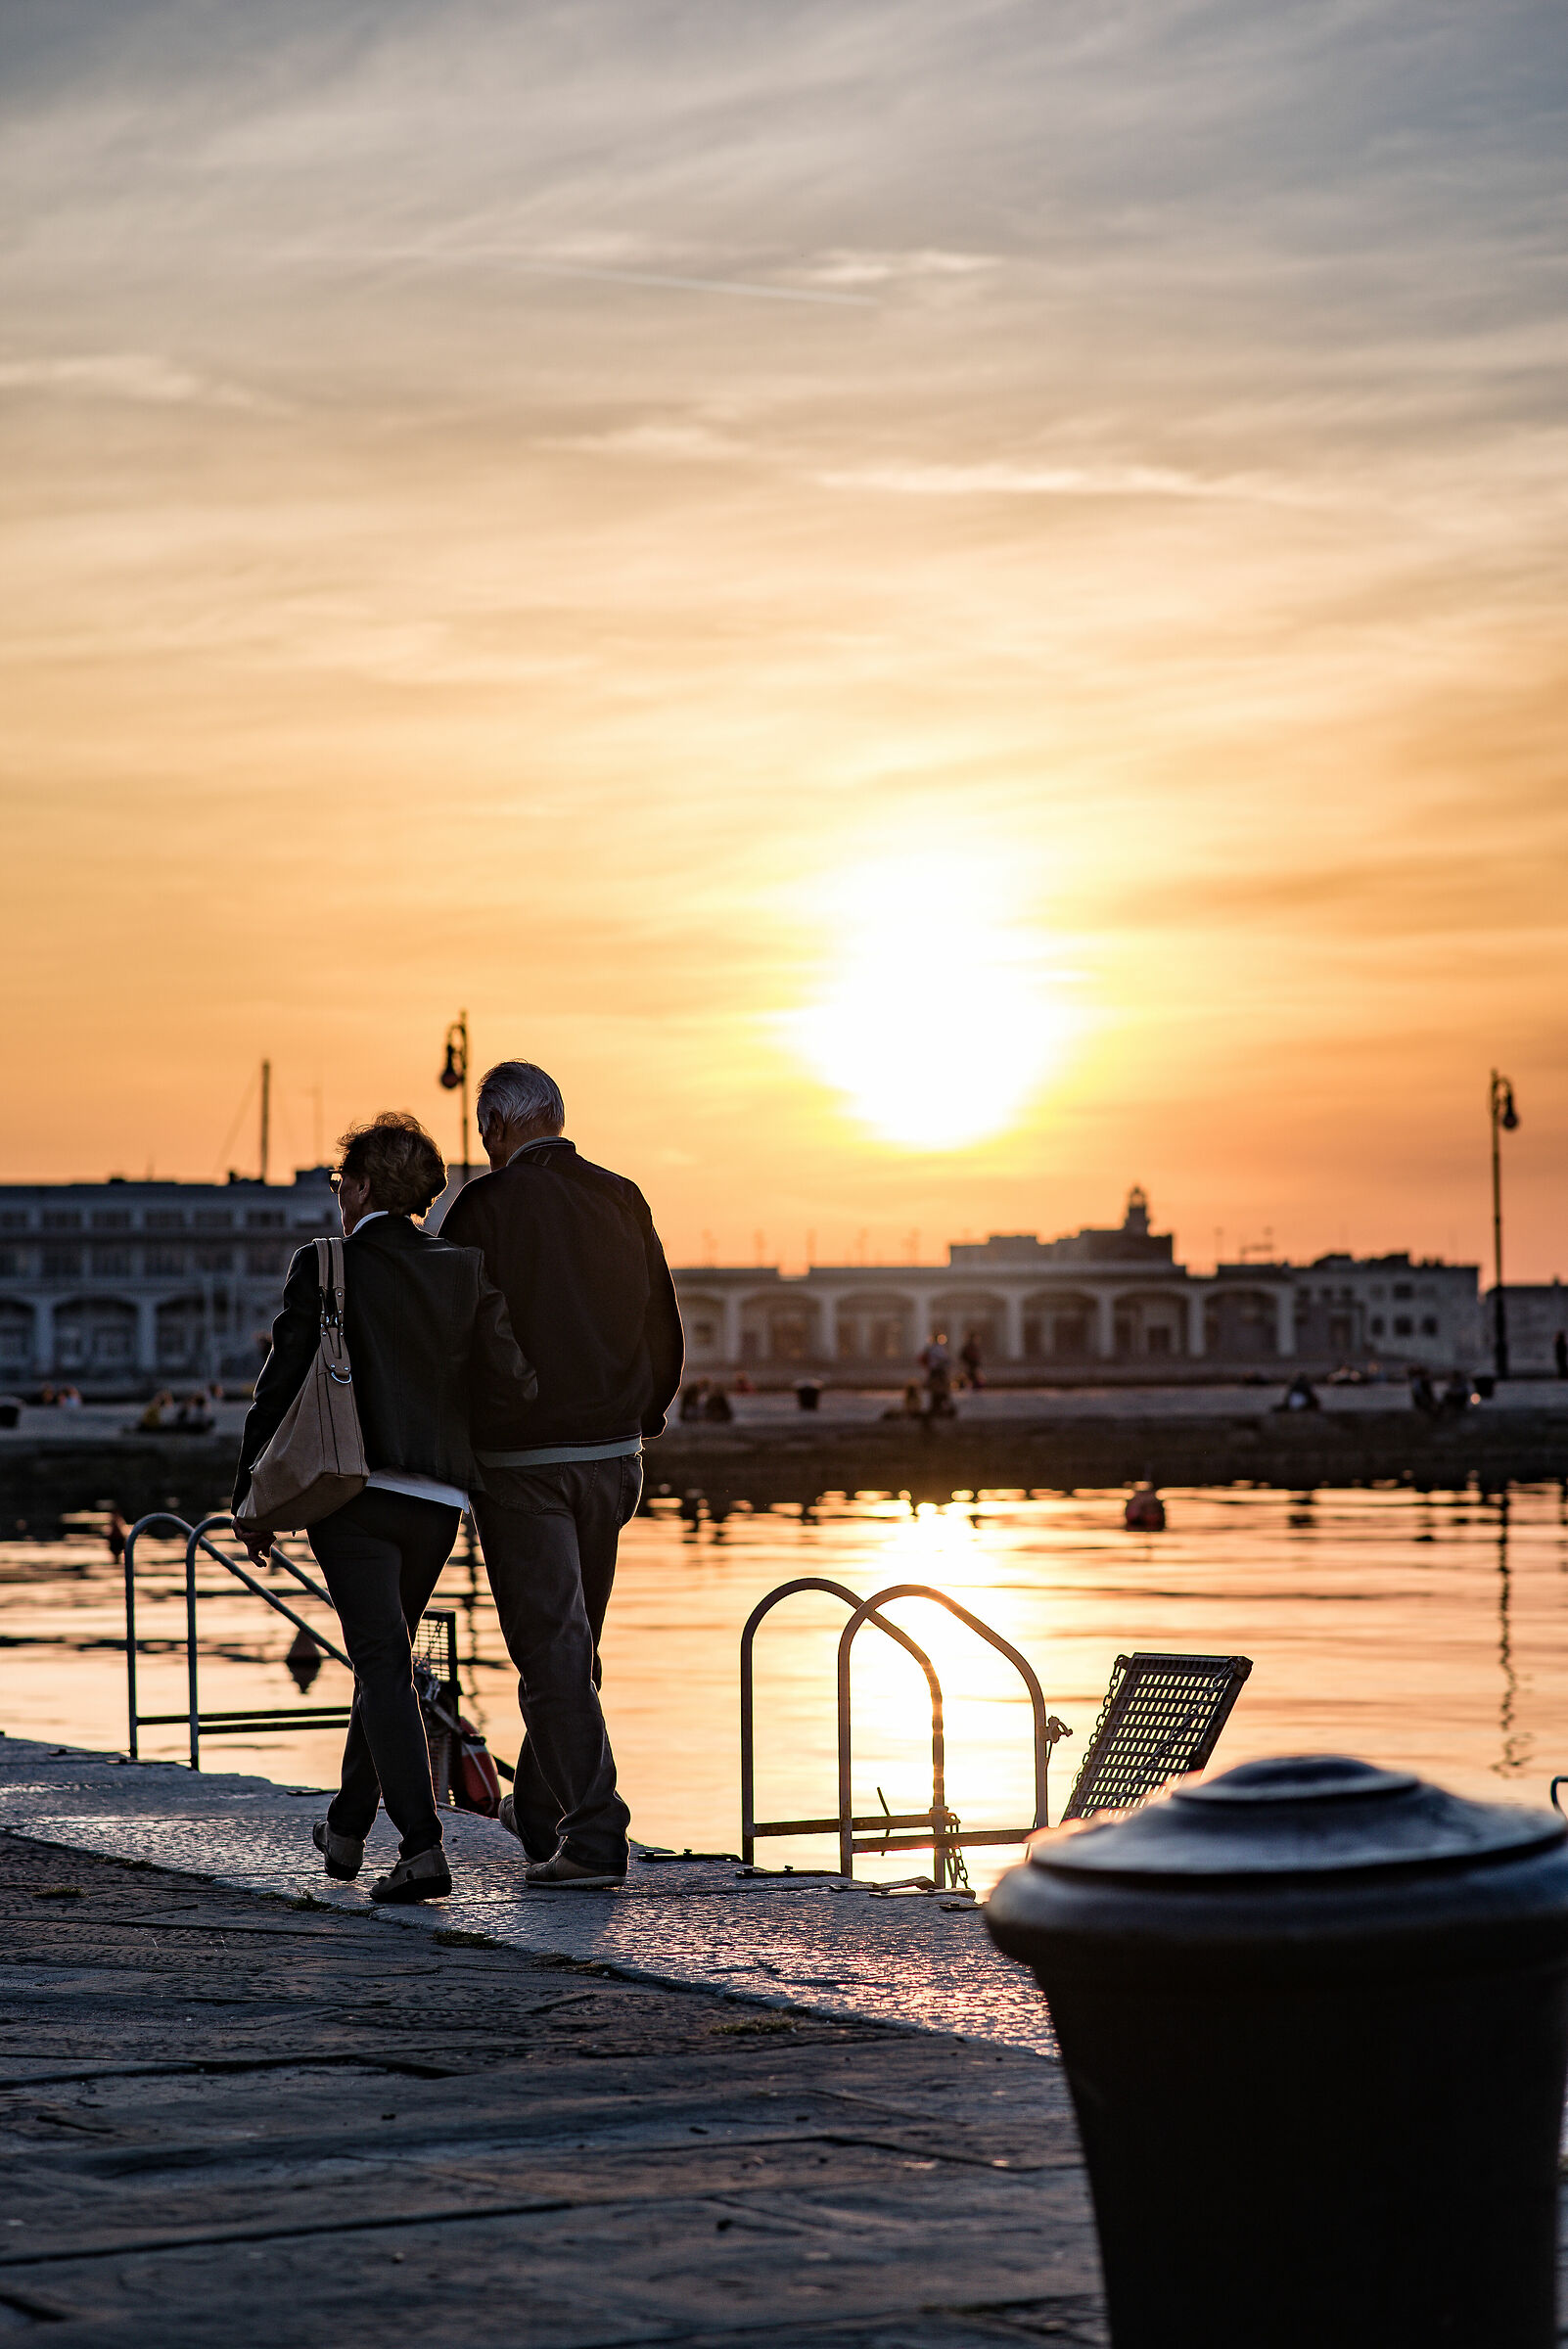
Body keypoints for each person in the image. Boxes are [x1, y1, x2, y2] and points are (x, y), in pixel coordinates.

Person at [234, 1112, 535, 1905]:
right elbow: (510, 1382)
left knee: (380, 1663)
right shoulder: (463, 1269)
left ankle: (422, 1848)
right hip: (438, 1501)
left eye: (341, 1183)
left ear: (363, 1186)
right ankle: (343, 1829)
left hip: (353, 1496)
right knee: (385, 1663)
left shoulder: (327, 1264)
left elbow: (280, 1387)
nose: (338, 1197)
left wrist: (252, 1498)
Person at [440, 1059, 683, 1890]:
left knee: (551, 1651)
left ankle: (593, 1834)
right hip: (615, 1457)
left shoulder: (485, 1204)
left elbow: (452, 1333)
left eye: (484, 1135)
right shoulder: (622, 1195)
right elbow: (662, 1316)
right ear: (559, 1116)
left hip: (525, 1462)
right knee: (575, 1646)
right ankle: (539, 1811)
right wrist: (640, 1418)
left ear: (498, 1131)